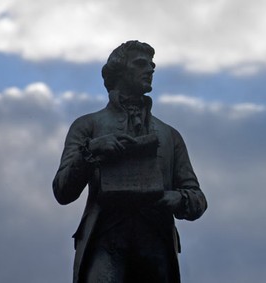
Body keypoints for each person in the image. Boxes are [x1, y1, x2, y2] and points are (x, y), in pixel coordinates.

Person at [53, 40, 207, 283]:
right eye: (140, 63)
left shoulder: (169, 135)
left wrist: (176, 198)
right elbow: (63, 190)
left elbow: (197, 198)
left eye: (152, 65)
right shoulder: (88, 126)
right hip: (105, 244)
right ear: (119, 71)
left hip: (155, 249)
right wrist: (92, 151)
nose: (150, 69)